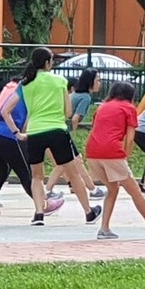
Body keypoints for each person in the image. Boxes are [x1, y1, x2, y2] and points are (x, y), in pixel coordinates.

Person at [15, 48, 99, 223]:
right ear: (47, 63)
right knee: (73, 173)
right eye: (52, 60)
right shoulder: (60, 80)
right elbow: (68, 112)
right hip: (57, 130)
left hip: (35, 131)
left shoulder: (25, 83)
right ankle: (88, 211)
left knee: (37, 176)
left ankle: (39, 213)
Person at [87, 81, 145, 239]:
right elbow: (130, 139)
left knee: (113, 189)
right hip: (112, 151)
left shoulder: (102, 107)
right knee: (135, 191)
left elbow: (97, 128)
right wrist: (125, 157)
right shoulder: (128, 108)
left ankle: (104, 228)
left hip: (92, 152)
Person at [0, 73, 65, 222]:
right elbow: (25, 122)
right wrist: (20, 134)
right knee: (27, 174)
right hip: (7, 134)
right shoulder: (25, 92)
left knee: (2, 169)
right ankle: (45, 204)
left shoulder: (8, 88)